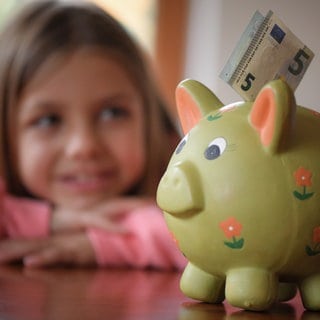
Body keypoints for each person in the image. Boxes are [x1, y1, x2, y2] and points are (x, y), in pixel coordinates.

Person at [0, 0, 186, 269]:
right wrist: (45, 220)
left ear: (150, 122)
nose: (83, 146)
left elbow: (228, 242)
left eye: (112, 113)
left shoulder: (187, 180)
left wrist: (107, 243)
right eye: (48, 120)